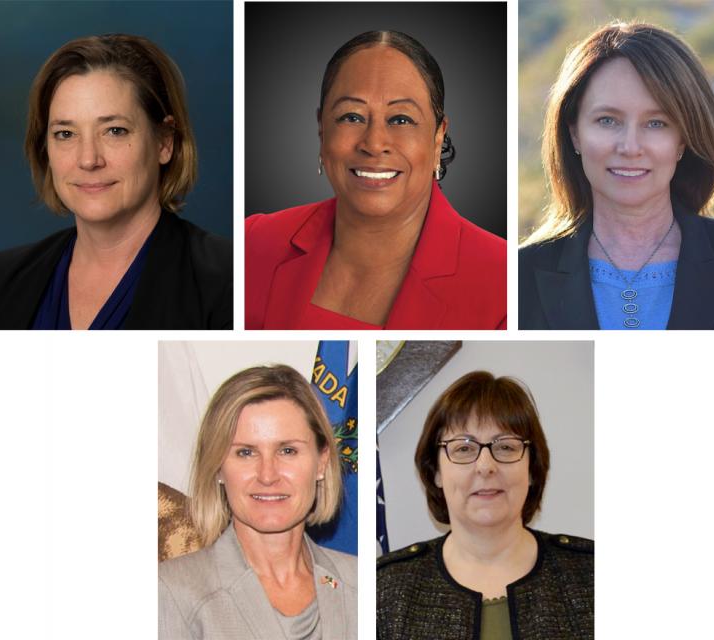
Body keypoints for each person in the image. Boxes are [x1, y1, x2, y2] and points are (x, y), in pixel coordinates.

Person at [0, 34, 231, 329]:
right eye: (66, 134)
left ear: (164, 142)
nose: (89, 160)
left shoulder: (228, 280)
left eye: (114, 131)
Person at [246, 30, 506, 330]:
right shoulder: (254, 242)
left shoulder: (504, 282)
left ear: (438, 136)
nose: (374, 142)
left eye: (401, 120)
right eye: (351, 117)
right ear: (321, 129)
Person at [519, 21, 714, 330]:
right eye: (607, 120)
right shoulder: (515, 277)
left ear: (683, 140)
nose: (630, 147)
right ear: (574, 134)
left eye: (656, 123)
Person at [377, 372, 593, 640]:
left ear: (532, 469)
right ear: (436, 472)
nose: (486, 466)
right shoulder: (384, 591)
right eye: (464, 449)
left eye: (505, 447)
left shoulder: (592, 576)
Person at [159, 364, 357, 640]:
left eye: (287, 450)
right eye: (245, 453)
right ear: (218, 467)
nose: (267, 475)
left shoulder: (364, 582)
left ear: (322, 461)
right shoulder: (169, 591)